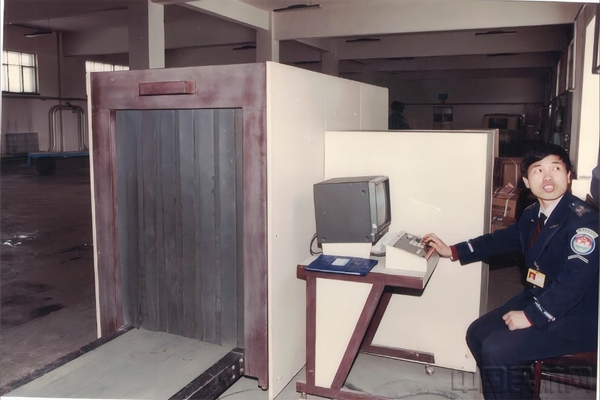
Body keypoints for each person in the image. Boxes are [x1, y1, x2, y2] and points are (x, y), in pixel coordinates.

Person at [423, 143, 599, 400]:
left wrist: (531, 317)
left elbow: (573, 283)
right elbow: (501, 240)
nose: (548, 177)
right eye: (538, 170)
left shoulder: (585, 222)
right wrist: (453, 250)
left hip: (578, 317)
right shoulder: (532, 214)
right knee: (478, 333)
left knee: (497, 349)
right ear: (526, 181)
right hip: (542, 297)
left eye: (556, 168)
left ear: (568, 175)